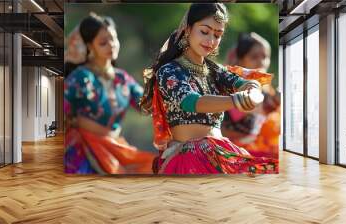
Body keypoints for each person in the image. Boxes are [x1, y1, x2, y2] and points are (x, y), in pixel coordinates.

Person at [139, 3, 278, 174]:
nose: (211, 41)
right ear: (188, 29)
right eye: (204, 32)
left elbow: (245, 82)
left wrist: (251, 89)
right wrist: (236, 100)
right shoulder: (169, 71)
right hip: (188, 157)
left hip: (220, 152)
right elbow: (191, 101)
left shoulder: (216, 70)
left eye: (217, 35)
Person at [64, 13, 155, 174]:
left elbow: (146, 105)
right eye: (103, 42)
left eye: (114, 39)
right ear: (91, 47)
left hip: (114, 147)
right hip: (83, 150)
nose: (111, 45)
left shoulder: (122, 78)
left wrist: (156, 84)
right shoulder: (81, 78)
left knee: (152, 166)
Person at [222, 32, 280, 159]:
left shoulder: (266, 89)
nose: (261, 62)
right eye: (254, 57)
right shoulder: (234, 87)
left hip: (261, 151)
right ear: (241, 60)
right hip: (236, 154)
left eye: (265, 56)